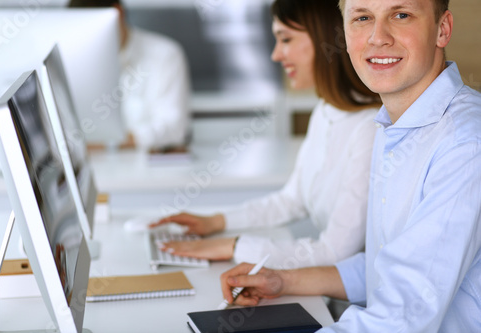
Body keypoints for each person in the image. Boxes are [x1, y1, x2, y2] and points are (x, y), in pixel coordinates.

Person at [220, 0, 481, 331]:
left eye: (401, 15)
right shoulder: (391, 125)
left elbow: (403, 315)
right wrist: (282, 281)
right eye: (362, 18)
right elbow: (382, 266)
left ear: (442, 29)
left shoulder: (466, 144)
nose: (377, 37)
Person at [151, 0, 381, 269]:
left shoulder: (370, 128)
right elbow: (291, 200)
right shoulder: (326, 110)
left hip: (353, 303)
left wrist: (234, 246)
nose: (276, 55)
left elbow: (335, 253)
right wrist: (216, 222)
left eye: (285, 39)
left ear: (325, 40)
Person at [68, 0, 191, 150]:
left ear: (117, 14)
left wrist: (107, 144)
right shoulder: (74, 63)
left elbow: (174, 128)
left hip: (146, 169)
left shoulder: (165, 55)